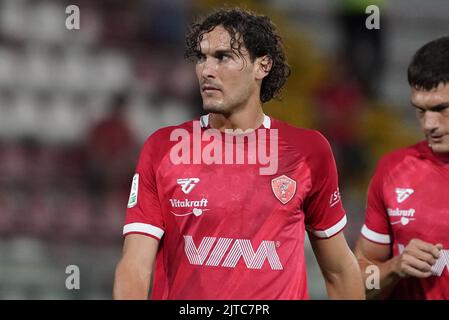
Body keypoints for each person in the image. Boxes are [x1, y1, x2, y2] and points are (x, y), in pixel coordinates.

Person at [113, 8, 364, 300]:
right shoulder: (164, 149)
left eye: (223, 57)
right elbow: (134, 267)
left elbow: (339, 270)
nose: (206, 70)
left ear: (263, 65)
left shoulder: (309, 152)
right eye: (202, 57)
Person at [355, 36, 449, 299]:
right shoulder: (394, 170)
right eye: (420, 111)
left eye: (441, 108)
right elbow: (359, 284)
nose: (429, 124)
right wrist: (394, 268)